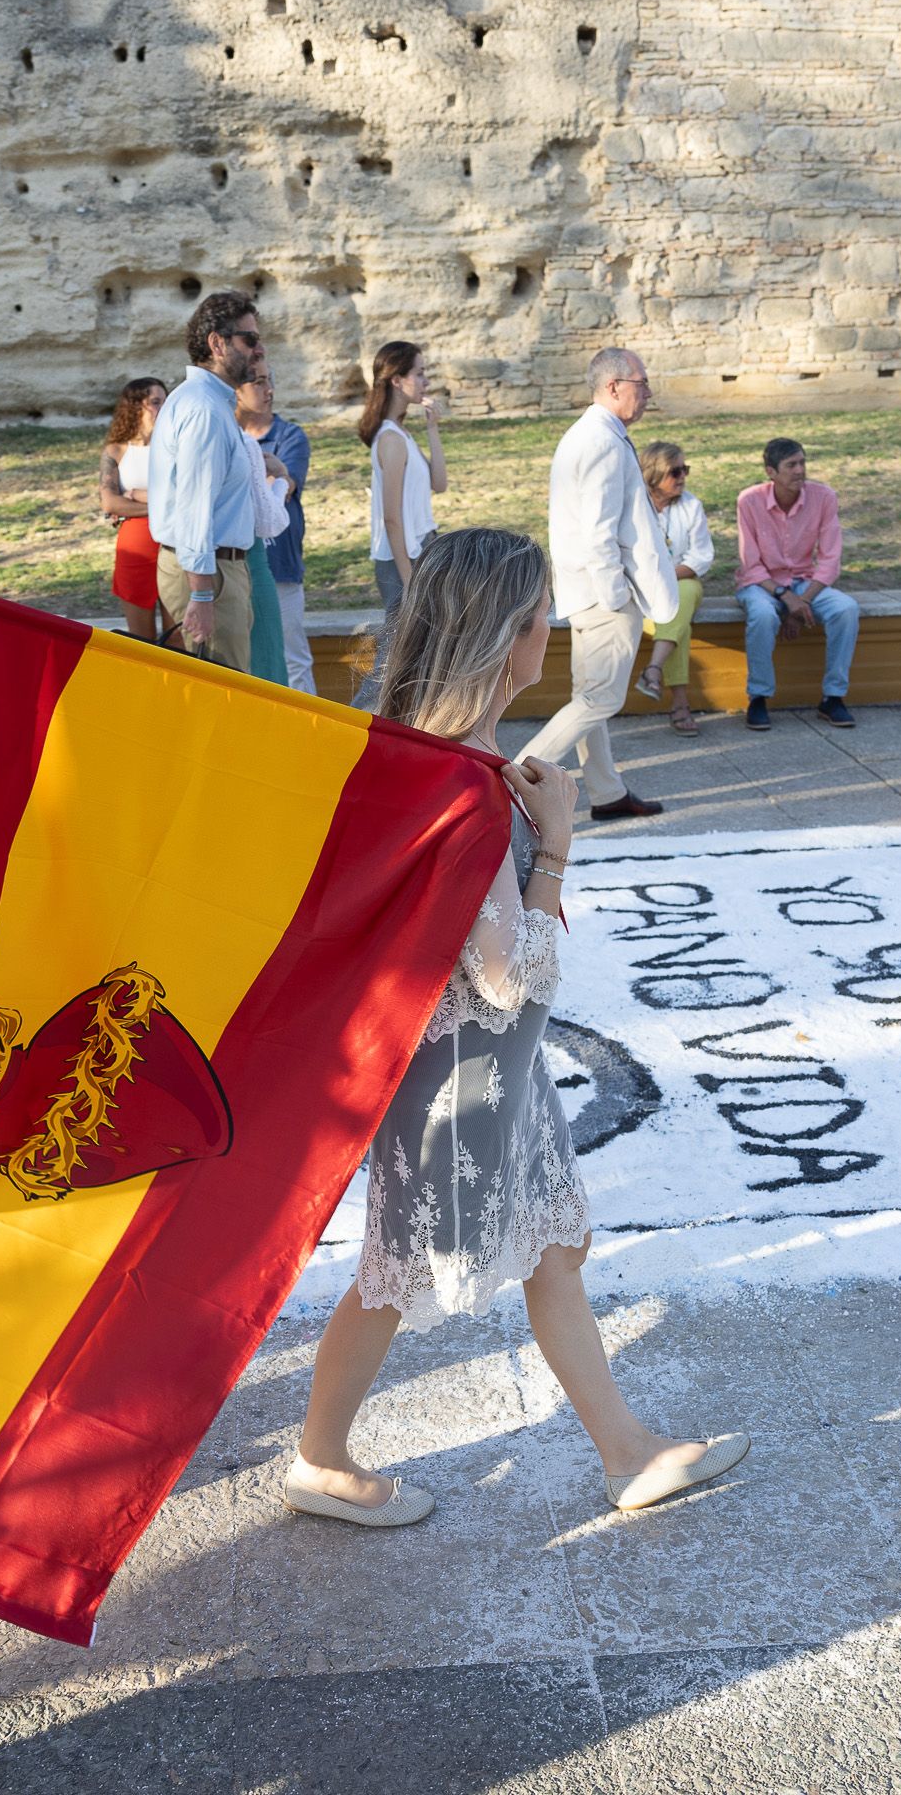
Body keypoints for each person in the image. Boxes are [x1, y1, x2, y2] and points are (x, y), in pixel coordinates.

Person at [286, 528, 748, 1527]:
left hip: (485, 1064)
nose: (557, 627)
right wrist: (560, 846)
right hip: (463, 1068)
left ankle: (626, 1450)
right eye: (545, 613)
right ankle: (320, 1456)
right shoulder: (465, 787)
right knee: (399, 1271)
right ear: (511, 636)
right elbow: (506, 973)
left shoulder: (428, 759)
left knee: (549, 1249)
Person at [529, 348, 678, 820]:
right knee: (600, 700)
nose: (649, 392)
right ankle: (510, 782)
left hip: (589, 591)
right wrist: (616, 596)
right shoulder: (600, 441)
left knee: (589, 697)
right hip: (602, 595)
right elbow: (599, 532)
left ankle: (607, 793)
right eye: (643, 381)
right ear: (614, 386)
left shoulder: (595, 435)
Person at [150, 291, 265, 671]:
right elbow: (194, 506)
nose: (258, 349)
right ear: (217, 343)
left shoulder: (205, 401)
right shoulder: (204, 409)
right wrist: (201, 594)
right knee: (226, 697)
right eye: (249, 339)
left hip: (212, 570)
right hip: (208, 574)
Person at [733, 437, 858, 730]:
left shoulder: (824, 497)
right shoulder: (749, 500)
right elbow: (750, 564)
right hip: (761, 584)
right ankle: (759, 697)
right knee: (763, 615)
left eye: (802, 462)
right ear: (771, 472)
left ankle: (833, 697)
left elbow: (830, 561)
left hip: (805, 583)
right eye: (791, 465)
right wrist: (785, 598)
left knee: (846, 609)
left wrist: (801, 602)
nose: (800, 470)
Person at [362, 340, 447, 622]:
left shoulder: (401, 434)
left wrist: (432, 428)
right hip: (402, 558)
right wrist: (409, 579)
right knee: (398, 647)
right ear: (397, 380)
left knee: (417, 647)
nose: (426, 380)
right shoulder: (390, 439)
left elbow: (440, 483)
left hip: (420, 548)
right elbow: (391, 518)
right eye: (419, 373)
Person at [631, 440, 712, 736]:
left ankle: (654, 669)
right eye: (674, 471)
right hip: (640, 591)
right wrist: (653, 582)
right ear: (653, 474)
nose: (682, 477)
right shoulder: (633, 506)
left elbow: (701, 557)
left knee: (685, 592)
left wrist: (665, 578)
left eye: (685, 469)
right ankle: (679, 703)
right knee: (681, 625)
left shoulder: (691, 505)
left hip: (681, 583)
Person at [242, 371, 316, 692]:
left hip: (279, 565)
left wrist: (280, 475)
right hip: (236, 566)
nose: (269, 390)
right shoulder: (226, 437)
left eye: (270, 381)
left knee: (292, 657)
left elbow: (283, 488)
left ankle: (309, 736)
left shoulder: (290, 437)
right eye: (258, 383)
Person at [99, 377, 169, 645]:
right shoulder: (116, 450)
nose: (162, 408)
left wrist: (135, 501)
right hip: (136, 549)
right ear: (135, 406)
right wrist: (164, 505)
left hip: (173, 544)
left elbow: (188, 498)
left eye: (165, 401)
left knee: (179, 642)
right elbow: (110, 503)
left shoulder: (176, 449)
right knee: (142, 641)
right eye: (155, 402)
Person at [240, 375, 296, 686]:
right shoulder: (245, 442)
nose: (269, 390)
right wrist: (283, 478)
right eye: (258, 382)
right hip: (250, 560)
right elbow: (270, 521)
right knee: (267, 668)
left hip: (217, 566)